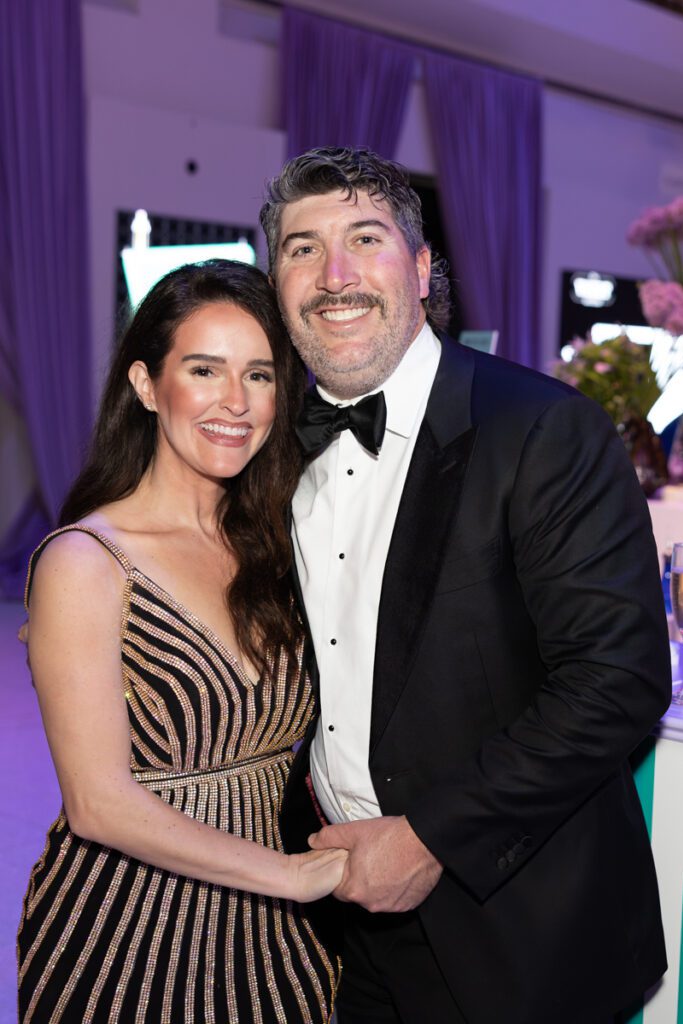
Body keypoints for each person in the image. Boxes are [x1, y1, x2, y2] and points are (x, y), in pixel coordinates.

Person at [259, 148, 672, 1024]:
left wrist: (431, 837)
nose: (333, 276)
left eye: (364, 239)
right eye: (302, 248)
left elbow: (620, 679)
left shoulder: (544, 430)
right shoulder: (273, 453)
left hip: (520, 931)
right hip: (339, 920)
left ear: (419, 268)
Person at [17, 260, 346, 1023]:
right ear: (145, 385)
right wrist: (294, 877)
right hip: (131, 930)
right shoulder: (86, 560)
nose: (236, 402)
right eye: (205, 370)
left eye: (260, 375)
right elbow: (97, 803)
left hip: (276, 931)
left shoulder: (277, 542)